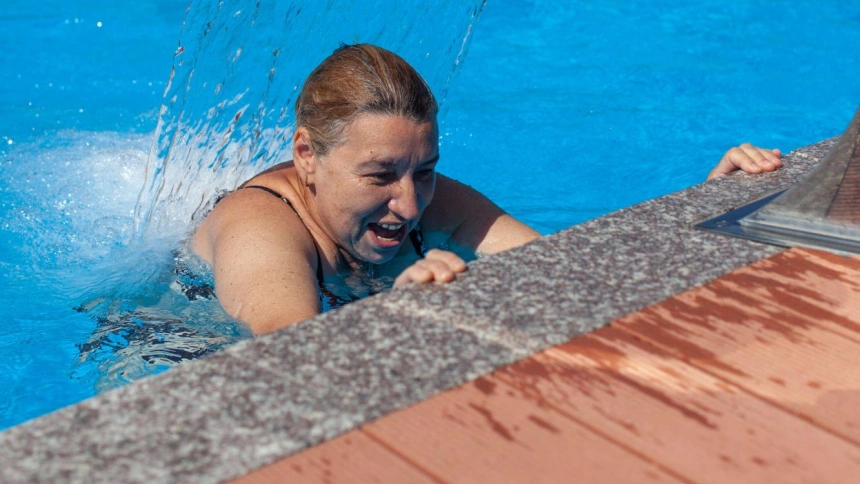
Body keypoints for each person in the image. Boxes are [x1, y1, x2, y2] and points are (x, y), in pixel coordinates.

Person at [193, 43, 781, 334]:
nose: (410, 201)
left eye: (423, 169)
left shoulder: (429, 196)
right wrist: (398, 319)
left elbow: (572, 274)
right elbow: (291, 358)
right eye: (379, 175)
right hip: (177, 348)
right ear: (306, 156)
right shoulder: (260, 228)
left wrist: (705, 208)